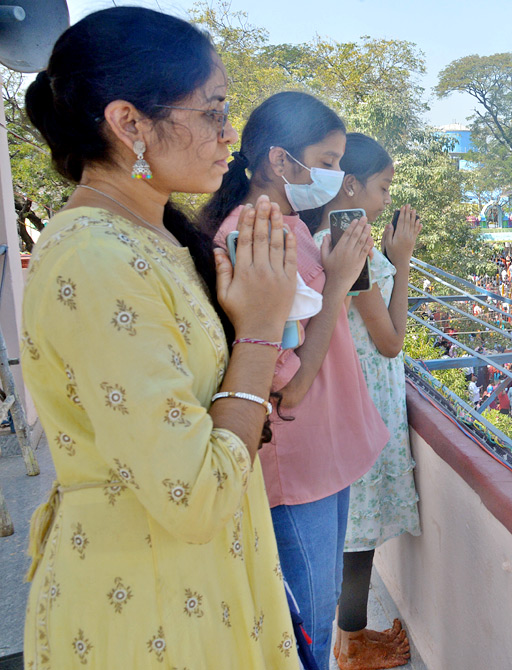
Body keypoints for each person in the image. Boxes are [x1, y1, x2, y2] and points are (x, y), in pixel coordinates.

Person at [20, 7, 300, 667]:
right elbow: (194, 495)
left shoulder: (153, 239)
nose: (229, 135)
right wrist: (260, 331)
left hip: (189, 582)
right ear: (128, 123)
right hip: (147, 606)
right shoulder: (97, 260)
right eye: (211, 112)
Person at [205, 91, 388, 669]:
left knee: (319, 598)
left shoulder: (288, 225)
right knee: (305, 618)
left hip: (321, 453)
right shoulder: (259, 235)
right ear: (280, 162)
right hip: (296, 459)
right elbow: (287, 385)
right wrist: (339, 283)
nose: (337, 176)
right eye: (328, 161)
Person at [312, 134, 421, 668]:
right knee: (358, 538)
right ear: (350, 185)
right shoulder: (354, 250)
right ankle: (352, 646)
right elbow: (392, 339)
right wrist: (401, 263)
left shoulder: (317, 235)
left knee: (350, 528)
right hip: (365, 404)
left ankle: (348, 637)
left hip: (338, 398)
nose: (385, 201)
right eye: (383, 187)